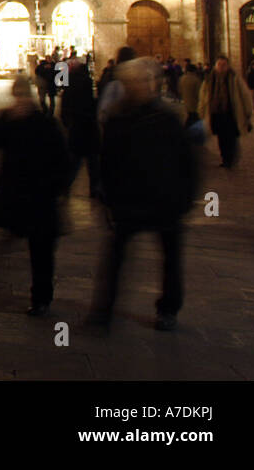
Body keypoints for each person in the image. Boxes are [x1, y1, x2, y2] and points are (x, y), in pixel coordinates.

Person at [91, 59, 199, 331]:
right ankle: (105, 310)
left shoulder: (167, 118)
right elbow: (108, 162)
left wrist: (185, 197)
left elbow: (188, 161)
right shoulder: (118, 119)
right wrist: (106, 197)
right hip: (129, 202)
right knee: (115, 258)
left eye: (140, 82)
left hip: (166, 201)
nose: (135, 87)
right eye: (130, 83)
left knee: (170, 259)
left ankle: (168, 309)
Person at [0, 76, 72, 316]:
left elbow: (63, 160)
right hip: (18, 196)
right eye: (17, 96)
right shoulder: (11, 121)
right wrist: (4, 117)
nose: (20, 101)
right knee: (26, 245)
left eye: (23, 96)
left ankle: (41, 298)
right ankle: (4, 284)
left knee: (41, 251)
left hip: (40, 197)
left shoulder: (46, 124)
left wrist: (59, 189)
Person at [197, 56, 252, 168]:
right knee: (221, 138)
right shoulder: (209, 79)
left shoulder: (234, 78)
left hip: (231, 113)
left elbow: (245, 95)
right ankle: (225, 158)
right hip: (216, 114)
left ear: (228, 66)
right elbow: (203, 97)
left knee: (231, 137)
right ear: (215, 66)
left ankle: (230, 158)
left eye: (224, 65)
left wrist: (248, 112)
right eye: (219, 64)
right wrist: (201, 111)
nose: (221, 67)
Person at [58, 54, 100, 196]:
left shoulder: (70, 85)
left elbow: (65, 107)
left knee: (75, 161)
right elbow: (92, 104)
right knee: (92, 162)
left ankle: (65, 186)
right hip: (89, 127)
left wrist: (66, 122)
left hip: (76, 127)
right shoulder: (86, 82)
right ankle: (94, 189)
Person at [178, 59, 202, 126]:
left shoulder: (181, 78)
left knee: (187, 120)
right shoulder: (196, 80)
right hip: (194, 105)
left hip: (185, 104)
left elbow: (179, 91)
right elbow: (199, 94)